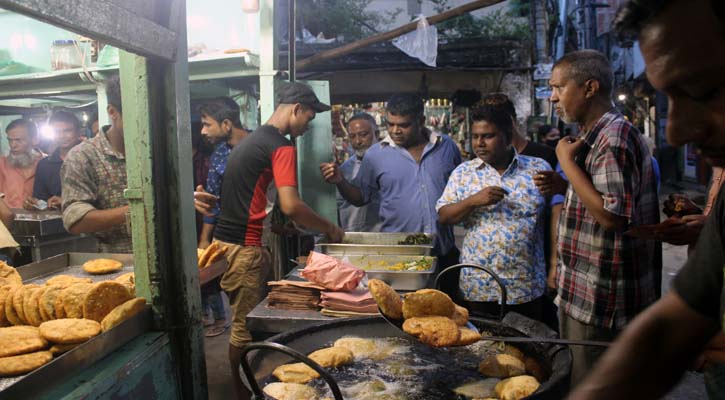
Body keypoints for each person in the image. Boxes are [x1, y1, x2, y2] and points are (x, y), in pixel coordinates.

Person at [569, 1, 725, 398]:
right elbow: (672, 326)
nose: (675, 132)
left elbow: (611, 215)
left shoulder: (613, 136)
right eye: (669, 98)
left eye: (702, 91)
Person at [210, 82, 344, 400]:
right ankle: (243, 391)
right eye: (309, 118)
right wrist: (330, 228)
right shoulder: (280, 146)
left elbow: (251, 199)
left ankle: (245, 386)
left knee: (244, 323)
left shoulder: (252, 140)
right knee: (244, 329)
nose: (308, 126)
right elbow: (291, 205)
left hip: (226, 245)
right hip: (245, 249)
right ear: (296, 109)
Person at [549, 49, 660, 386]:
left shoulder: (613, 135)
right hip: (580, 292)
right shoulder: (592, 135)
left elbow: (612, 216)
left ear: (590, 87)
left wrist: (565, 163)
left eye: (558, 87)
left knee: (595, 386)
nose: (553, 97)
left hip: (602, 300)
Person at [320, 93, 462, 285]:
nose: (395, 131)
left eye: (403, 125)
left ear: (421, 121)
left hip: (445, 252)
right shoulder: (376, 155)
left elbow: (459, 190)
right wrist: (340, 181)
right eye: (390, 124)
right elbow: (360, 197)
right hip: (401, 256)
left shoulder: (446, 147)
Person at [436, 103, 551, 320]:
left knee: (526, 348)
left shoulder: (538, 168)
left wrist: (554, 267)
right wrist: (473, 201)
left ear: (508, 137)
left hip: (526, 285)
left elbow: (556, 217)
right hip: (479, 285)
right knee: (482, 347)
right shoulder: (464, 173)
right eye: (475, 136)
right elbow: (444, 216)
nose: (479, 143)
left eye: (488, 136)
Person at [61, 75, 132, 253]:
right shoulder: (83, 156)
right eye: (137, 118)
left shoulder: (156, 151)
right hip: (114, 266)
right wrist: (135, 211)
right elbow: (75, 220)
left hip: (162, 262)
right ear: (113, 112)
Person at [197, 97, 249, 249]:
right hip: (230, 236)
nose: (203, 131)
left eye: (207, 125)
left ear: (226, 124)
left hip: (261, 234)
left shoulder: (259, 145)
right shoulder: (218, 155)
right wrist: (204, 239)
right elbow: (213, 200)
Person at [24, 111, 82, 211]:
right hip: (56, 223)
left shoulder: (92, 159)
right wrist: (35, 204)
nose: (62, 136)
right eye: (57, 131)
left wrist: (66, 201)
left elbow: (102, 195)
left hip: (89, 221)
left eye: (67, 131)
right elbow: (41, 199)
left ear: (78, 132)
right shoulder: (45, 165)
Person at [337, 113, 381, 232]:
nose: (358, 141)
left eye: (363, 135)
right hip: (353, 240)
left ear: (376, 134)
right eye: (352, 136)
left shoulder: (390, 164)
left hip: (385, 238)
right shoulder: (345, 170)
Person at [0, 119, 43, 209]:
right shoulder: (2, 164)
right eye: (10, 140)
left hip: (40, 220)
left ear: (35, 140)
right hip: (6, 221)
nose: (13, 145)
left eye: (18, 140)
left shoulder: (49, 164)